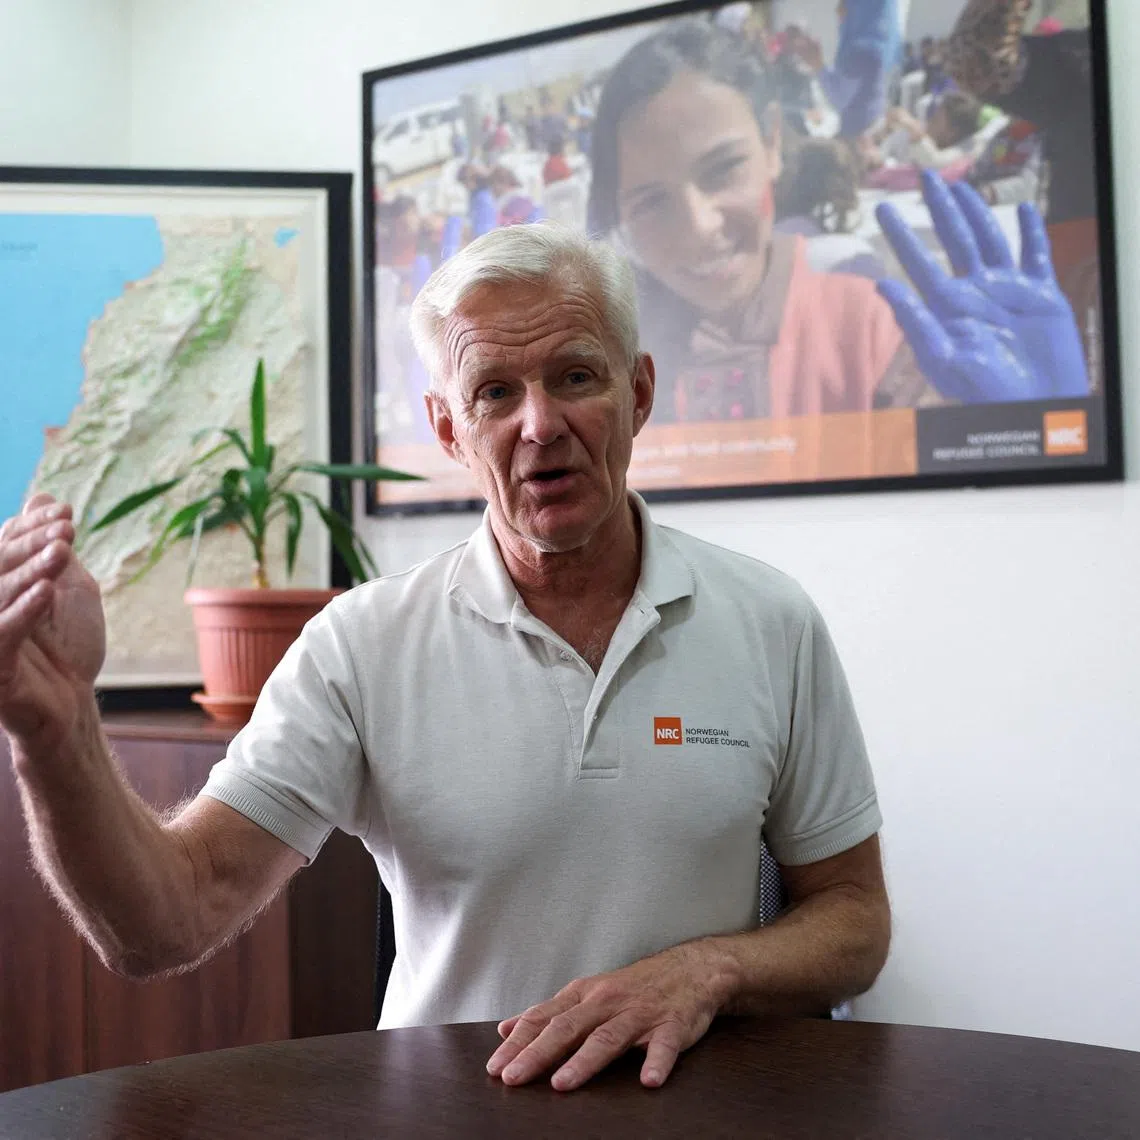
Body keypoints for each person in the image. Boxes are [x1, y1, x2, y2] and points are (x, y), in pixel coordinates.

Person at [1, 223, 892, 1094]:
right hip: (450, 1118)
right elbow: (166, 923)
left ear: (640, 392)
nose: (539, 424)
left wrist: (707, 971)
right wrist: (58, 725)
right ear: (448, 430)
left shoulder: (771, 620)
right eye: (494, 392)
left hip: (702, 1120)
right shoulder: (362, 644)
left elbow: (855, 920)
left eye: (575, 376)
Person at [587, 19, 935, 424]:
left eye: (723, 170)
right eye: (651, 202)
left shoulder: (870, 326)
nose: (699, 227)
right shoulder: (607, 362)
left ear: (771, 142)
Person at [793, 0, 903, 138]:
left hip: (857, 138)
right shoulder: (874, 46)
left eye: (845, 3)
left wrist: (818, 65)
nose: (838, 10)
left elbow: (840, 99)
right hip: (870, 132)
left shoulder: (861, 50)